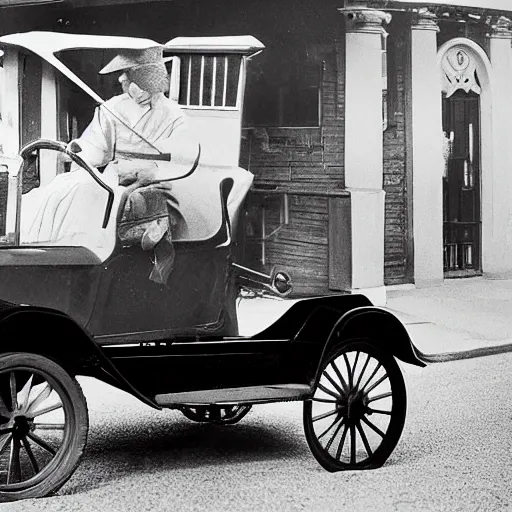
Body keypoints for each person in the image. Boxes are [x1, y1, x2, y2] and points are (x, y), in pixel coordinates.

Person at [21, 47, 199, 280]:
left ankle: (91, 262)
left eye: (138, 80)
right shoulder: (112, 108)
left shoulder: (175, 116)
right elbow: (96, 148)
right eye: (128, 80)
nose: (128, 85)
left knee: (92, 194)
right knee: (60, 189)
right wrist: (79, 150)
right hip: (113, 175)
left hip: (153, 180)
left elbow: (183, 160)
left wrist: (153, 170)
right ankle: (47, 256)